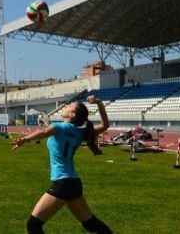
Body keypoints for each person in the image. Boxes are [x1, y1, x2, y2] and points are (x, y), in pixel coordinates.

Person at [11, 95, 112, 234]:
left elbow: (44, 132)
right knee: (91, 224)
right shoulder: (81, 132)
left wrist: (25, 139)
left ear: (72, 114)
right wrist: (99, 103)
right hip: (73, 183)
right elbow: (105, 125)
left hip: (63, 183)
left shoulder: (60, 126)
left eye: (69, 106)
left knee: (33, 225)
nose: (65, 106)